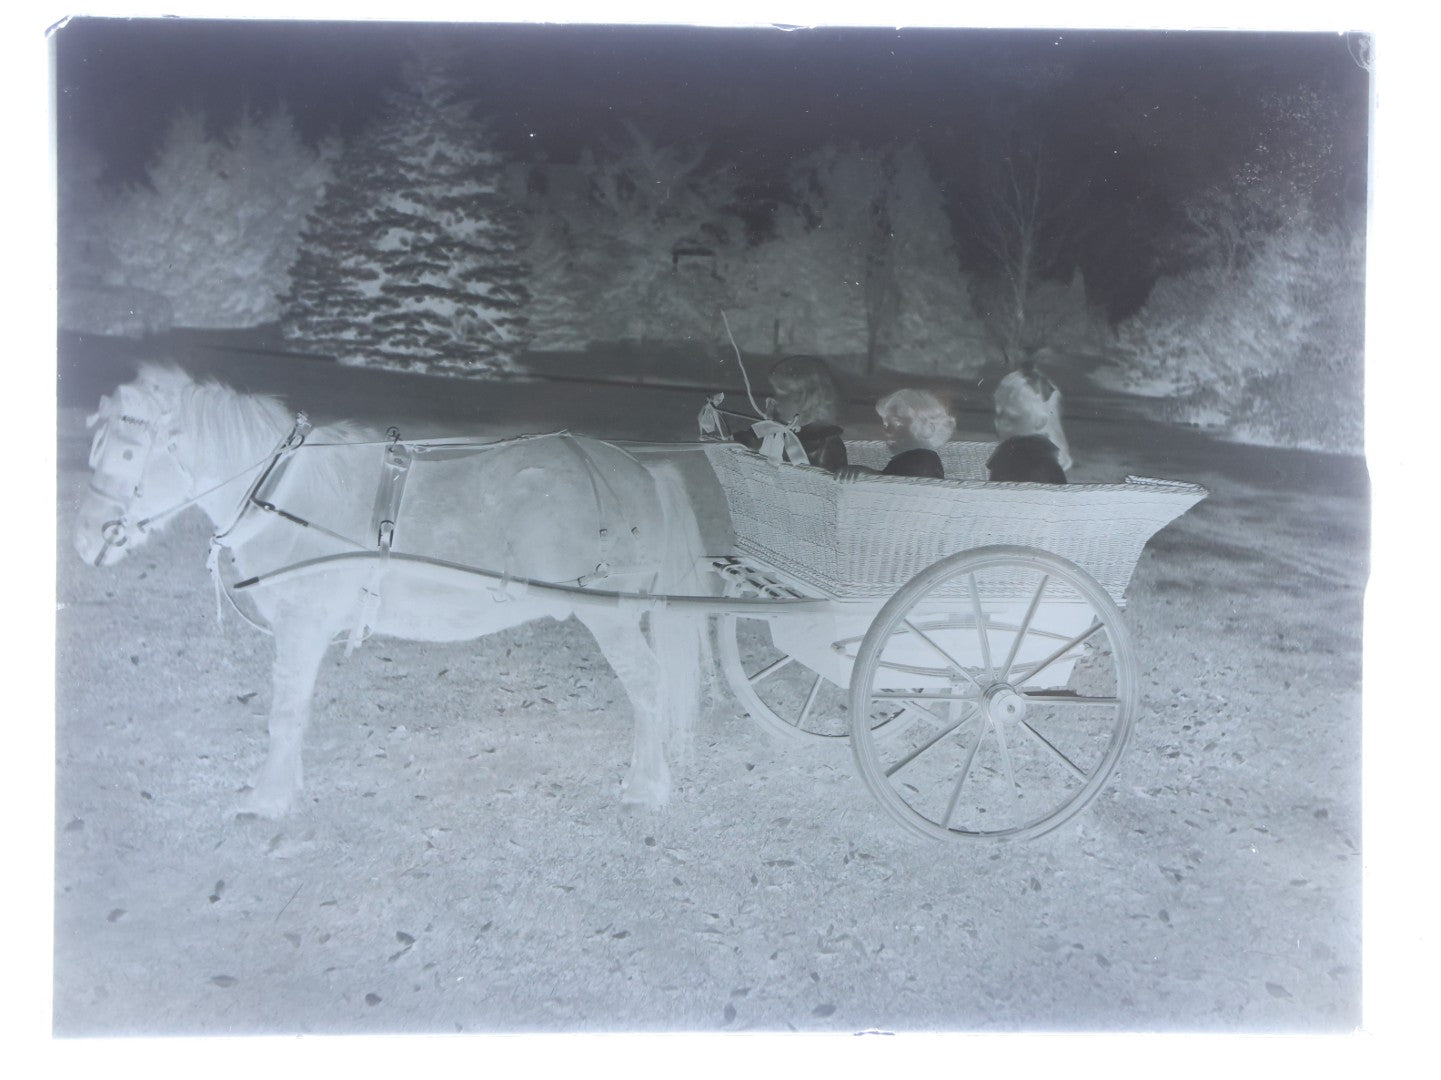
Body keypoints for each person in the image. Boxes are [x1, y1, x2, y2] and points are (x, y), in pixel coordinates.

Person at [733, 355, 847, 471]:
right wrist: (745, 441)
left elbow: (833, 483)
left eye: (782, 394)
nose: (774, 398)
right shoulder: (776, 427)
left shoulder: (825, 443)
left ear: (806, 399)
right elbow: (755, 440)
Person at [993, 356, 1073, 473]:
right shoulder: (1012, 382)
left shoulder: (1041, 382)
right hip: (1023, 424)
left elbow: (1050, 400)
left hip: (1035, 424)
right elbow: (1002, 400)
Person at [875, 388, 955, 478]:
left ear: (926, 428)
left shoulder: (919, 462)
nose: (887, 432)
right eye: (885, 425)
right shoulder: (910, 458)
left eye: (897, 424)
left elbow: (890, 485)